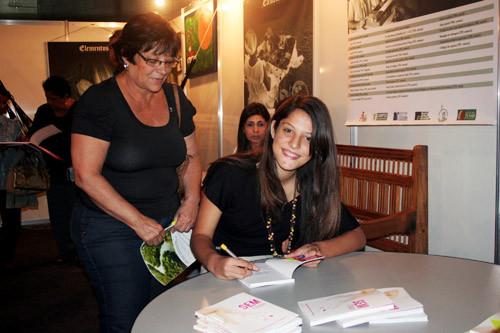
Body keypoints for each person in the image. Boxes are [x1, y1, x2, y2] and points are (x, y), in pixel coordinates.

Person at [71, 12, 201, 332]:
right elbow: (86, 176)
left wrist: (193, 198)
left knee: (162, 312)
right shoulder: (100, 101)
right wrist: (137, 221)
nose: (162, 70)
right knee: (124, 319)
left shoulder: (174, 97)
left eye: (169, 62)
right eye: (153, 60)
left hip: (165, 225)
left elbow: (193, 155)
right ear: (128, 56)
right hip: (110, 227)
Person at [191, 95, 366, 280]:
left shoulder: (311, 185)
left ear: (318, 147)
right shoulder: (230, 173)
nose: (295, 144)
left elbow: (358, 236)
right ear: (274, 129)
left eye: (308, 138)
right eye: (289, 131)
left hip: (277, 274)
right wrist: (214, 261)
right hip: (226, 273)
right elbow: (200, 235)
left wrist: (318, 249)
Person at [30, 76, 77, 263]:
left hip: (76, 169)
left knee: (76, 211)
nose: (50, 102)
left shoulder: (78, 109)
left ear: (65, 95)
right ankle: (64, 251)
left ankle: (80, 251)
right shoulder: (44, 111)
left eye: (54, 98)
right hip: (54, 169)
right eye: (48, 98)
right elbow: (35, 133)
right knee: (58, 213)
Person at [0, 86, 23, 271]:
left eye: (4, 102)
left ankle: (7, 257)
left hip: (9, 178)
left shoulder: (12, 123)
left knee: (12, 222)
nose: (2, 106)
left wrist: (24, 143)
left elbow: (18, 143)